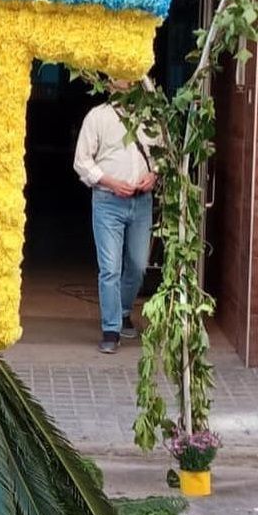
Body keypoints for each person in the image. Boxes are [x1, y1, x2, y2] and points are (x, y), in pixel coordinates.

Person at [73, 87, 156, 354]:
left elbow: (163, 157)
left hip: (141, 201)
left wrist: (154, 176)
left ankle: (122, 312)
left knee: (138, 264)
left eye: (132, 83)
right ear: (110, 86)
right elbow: (81, 161)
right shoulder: (97, 117)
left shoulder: (151, 118)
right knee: (109, 267)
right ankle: (111, 329)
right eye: (121, 83)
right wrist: (110, 181)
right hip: (108, 201)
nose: (127, 89)